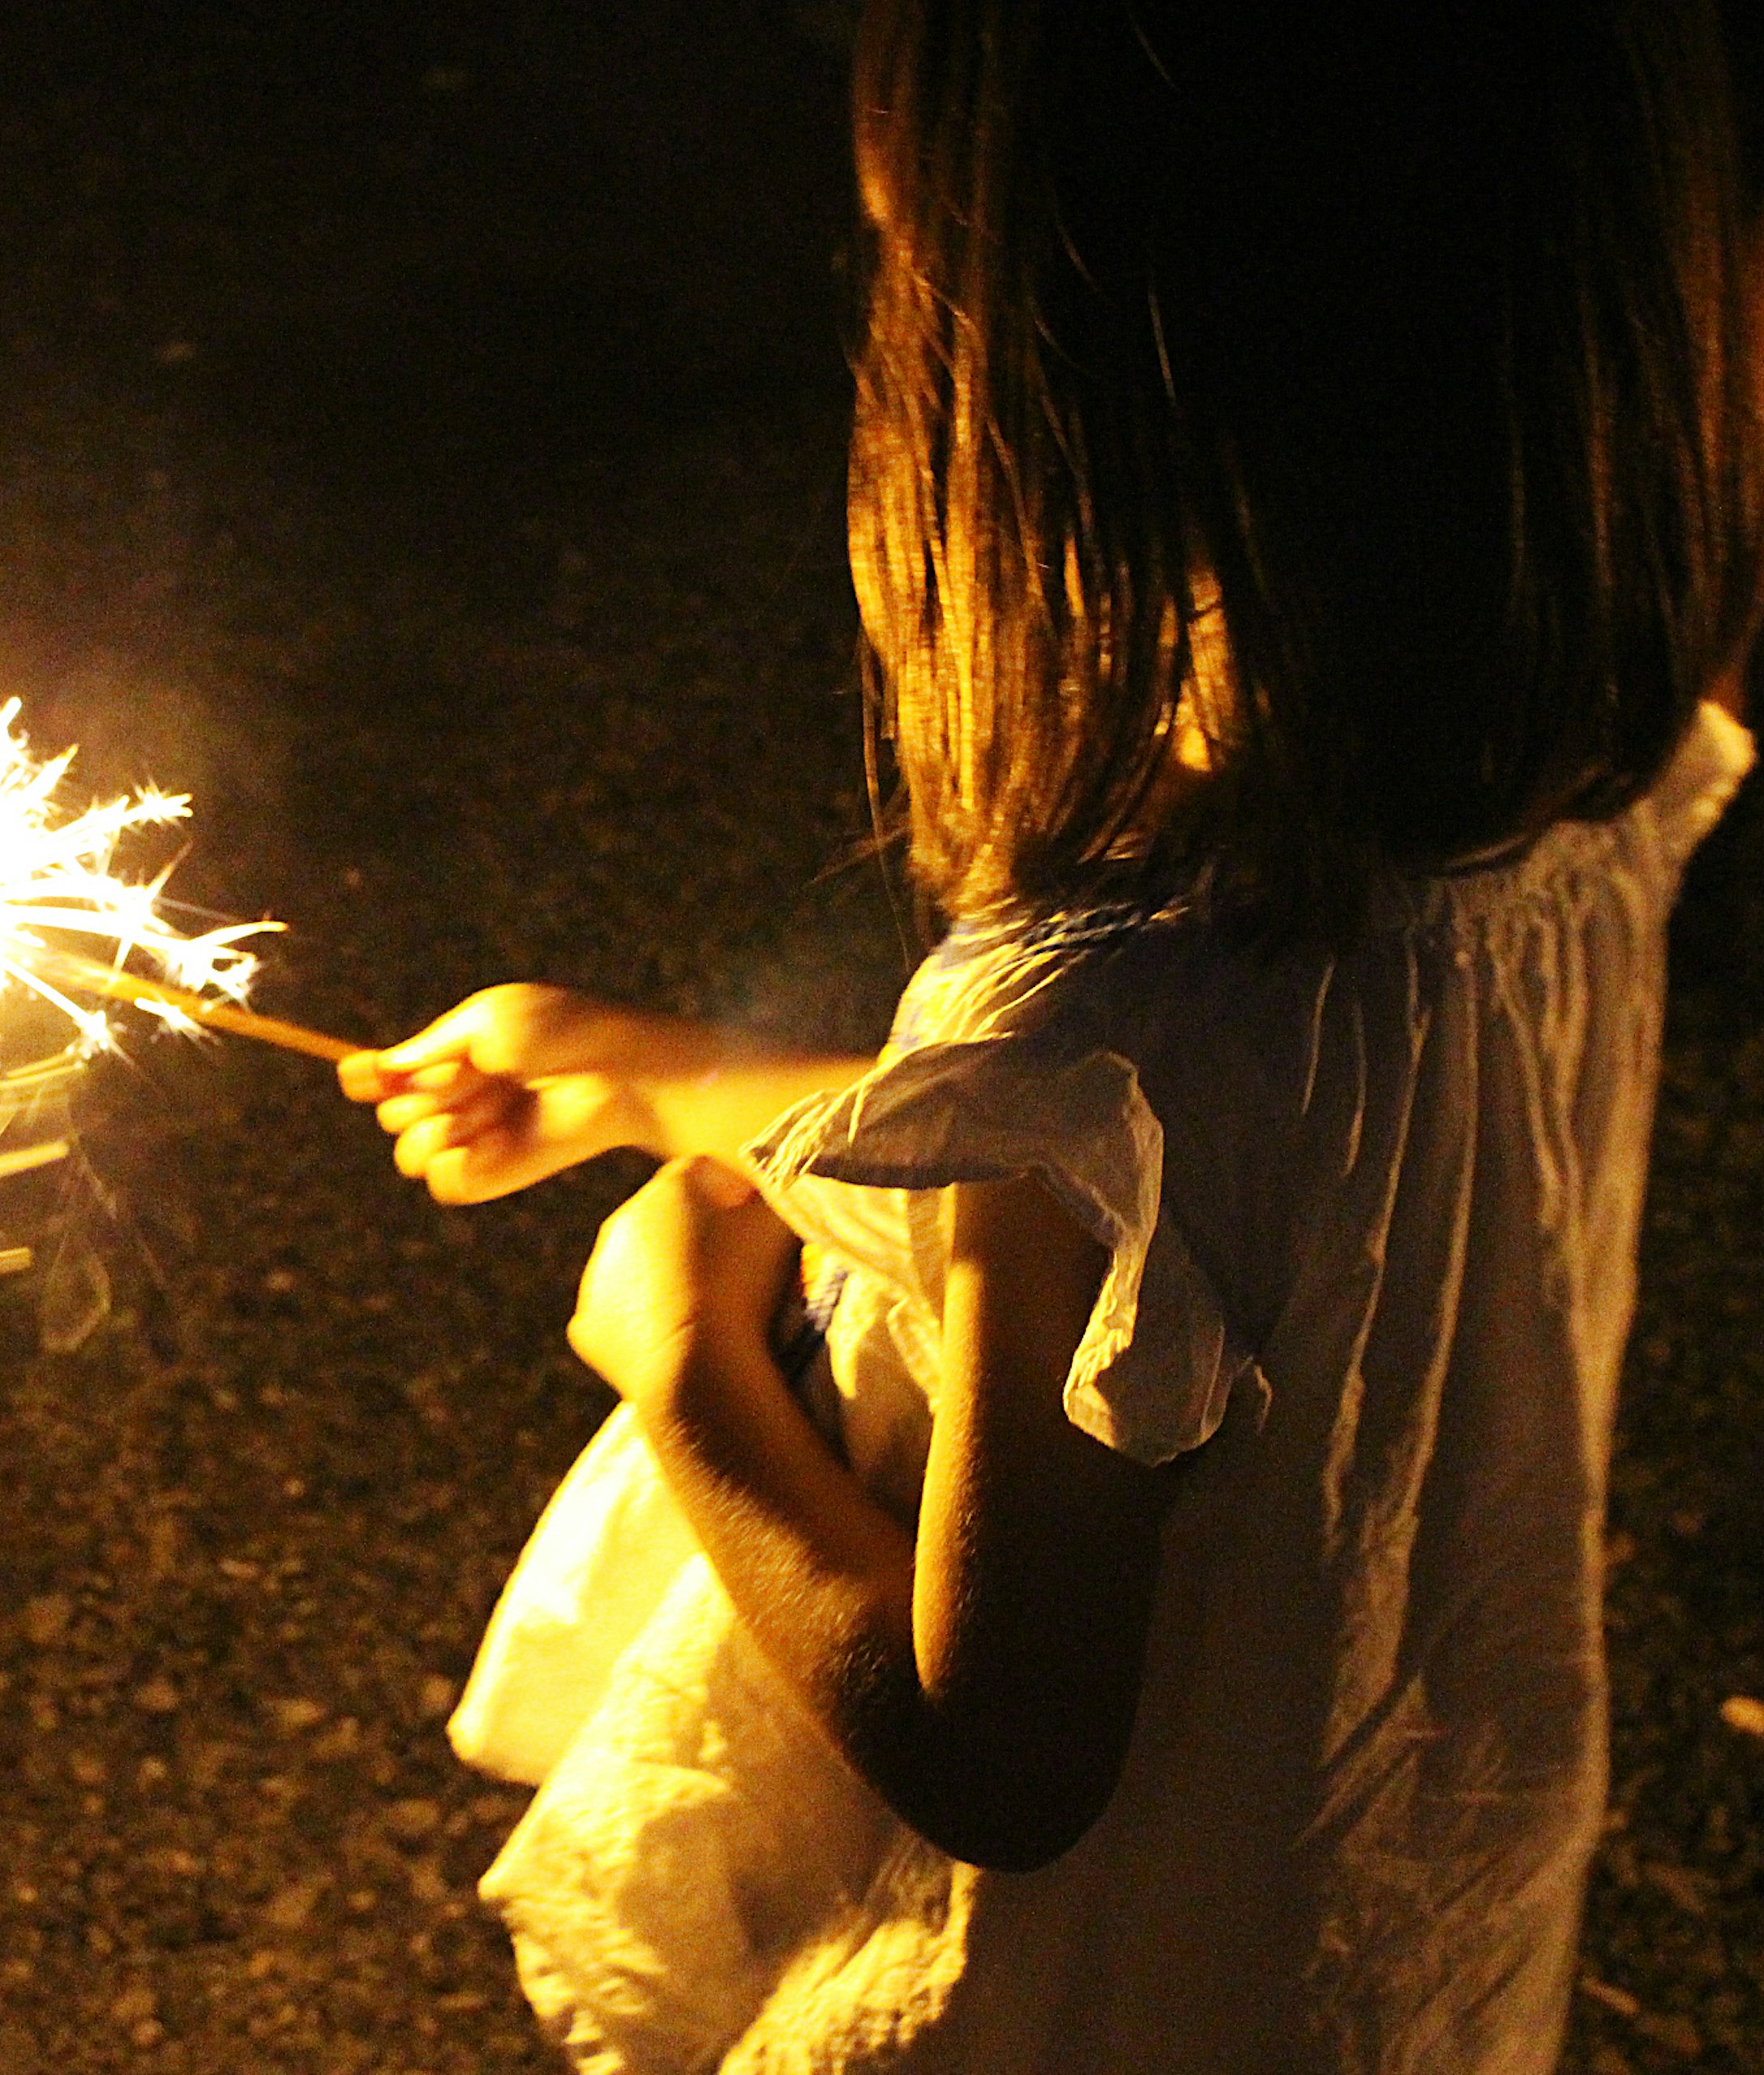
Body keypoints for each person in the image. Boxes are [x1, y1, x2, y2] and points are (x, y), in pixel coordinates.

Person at [340, 2, 1761, 2068]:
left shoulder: (1094, 995)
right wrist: (664, 1077)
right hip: (1390, 1936)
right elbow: (1208, 1208)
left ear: (1069, 373)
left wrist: (683, 1365)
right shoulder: (1564, 815)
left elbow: (995, 1745)